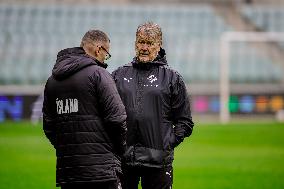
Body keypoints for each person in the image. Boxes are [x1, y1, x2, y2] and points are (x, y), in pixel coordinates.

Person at [112, 22, 194, 189]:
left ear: (159, 45)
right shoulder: (119, 75)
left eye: (149, 43)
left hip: (158, 163)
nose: (144, 47)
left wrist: (167, 143)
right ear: (135, 43)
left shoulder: (172, 78)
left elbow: (185, 121)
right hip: (124, 160)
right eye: (141, 42)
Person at [43, 30, 127, 189]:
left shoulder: (52, 81)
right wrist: (120, 150)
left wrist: (69, 150)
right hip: (102, 172)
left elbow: (49, 126)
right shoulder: (99, 74)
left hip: (68, 171)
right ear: (98, 49)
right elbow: (117, 119)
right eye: (106, 54)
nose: (105, 58)